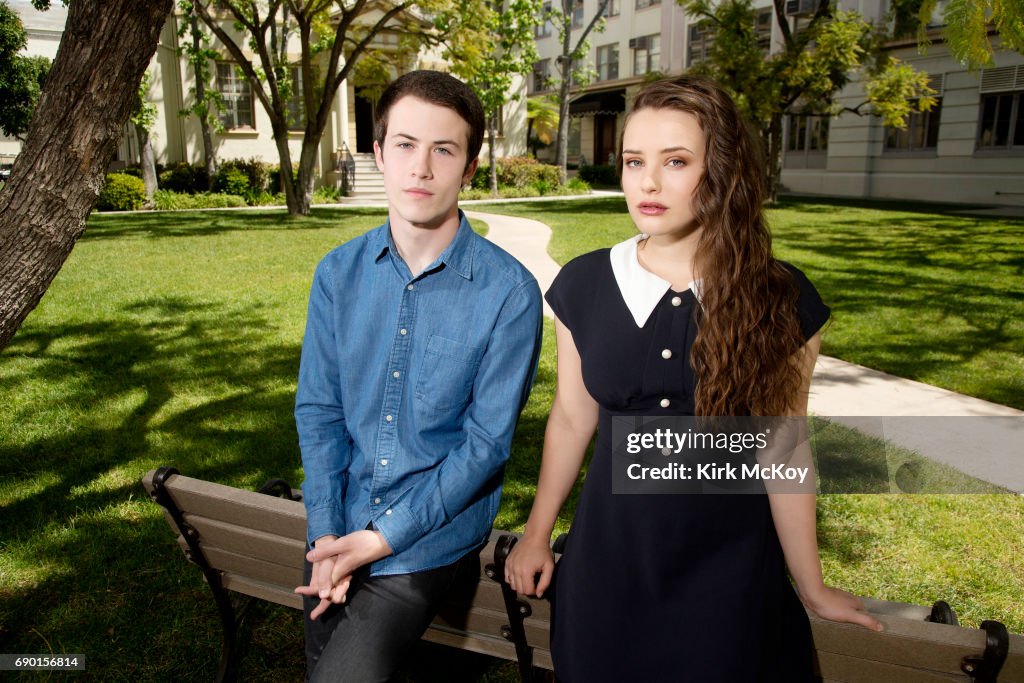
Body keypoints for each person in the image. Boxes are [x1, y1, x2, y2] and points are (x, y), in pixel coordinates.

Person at [504, 74, 882, 682]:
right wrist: (535, 534)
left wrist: (810, 585)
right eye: (633, 161)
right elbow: (574, 418)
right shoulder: (584, 284)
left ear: (723, 171)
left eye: (675, 161)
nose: (647, 182)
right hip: (609, 569)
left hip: (728, 577)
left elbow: (783, 445)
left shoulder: (781, 299)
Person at [293, 69, 543, 682]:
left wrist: (378, 541)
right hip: (340, 523)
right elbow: (319, 412)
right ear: (378, 153)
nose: (421, 168)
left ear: (470, 165)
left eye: (444, 149)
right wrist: (327, 534)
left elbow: (485, 448)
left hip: (431, 537)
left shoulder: (510, 293)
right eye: (404, 145)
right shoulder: (338, 274)